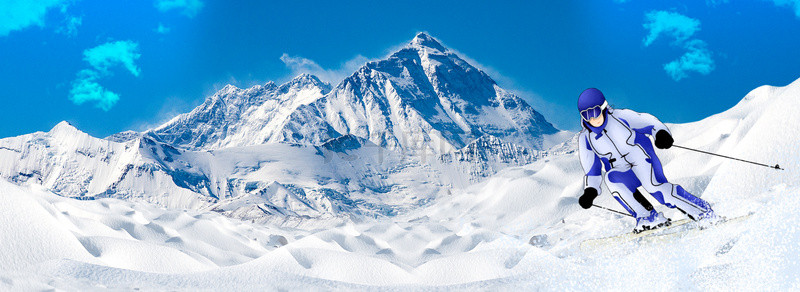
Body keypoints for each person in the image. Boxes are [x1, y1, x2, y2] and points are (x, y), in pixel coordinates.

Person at [576, 88, 715, 233]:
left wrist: (661, 134)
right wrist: (590, 191)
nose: (593, 119)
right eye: (586, 115)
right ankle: (648, 217)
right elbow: (592, 168)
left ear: (603, 107)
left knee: (656, 188)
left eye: (595, 112)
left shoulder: (620, 117)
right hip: (621, 170)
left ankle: (703, 212)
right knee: (611, 179)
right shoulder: (586, 138)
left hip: (642, 159)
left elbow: (648, 122)